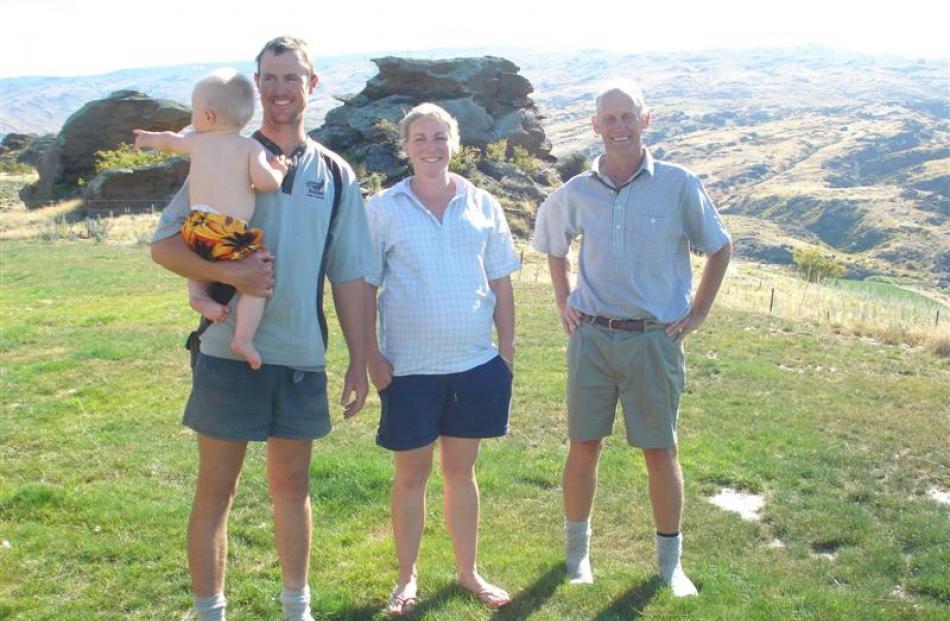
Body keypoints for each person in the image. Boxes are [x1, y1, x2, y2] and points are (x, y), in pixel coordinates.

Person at [150, 36, 371, 621]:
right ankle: (209, 611)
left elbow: (350, 275)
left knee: (292, 489)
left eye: (291, 78)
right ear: (255, 85)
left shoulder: (337, 174)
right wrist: (232, 273)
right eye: (268, 78)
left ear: (312, 86)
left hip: (301, 357)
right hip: (226, 351)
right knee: (214, 493)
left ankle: (297, 608)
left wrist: (359, 358)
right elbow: (164, 245)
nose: (279, 90)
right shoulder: (223, 151)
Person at [532, 83, 732, 597]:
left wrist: (697, 314)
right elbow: (553, 244)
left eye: (628, 117)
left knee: (660, 451)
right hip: (592, 338)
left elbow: (719, 246)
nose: (619, 127)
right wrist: (563, 299)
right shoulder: (576, 191)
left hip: (653, 339)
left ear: (646, 119)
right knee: (583, 446)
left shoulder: (679, 184)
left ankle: (670, 565)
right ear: (595, 126)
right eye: (609, 119)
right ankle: (577, 559)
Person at [364, 103, 520, 616]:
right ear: (405, 147)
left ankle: (468, 571)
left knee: (461, 472)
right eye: (419, 138)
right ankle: (406, 579)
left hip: (474, 365)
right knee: (411, 476)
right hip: (407, 369)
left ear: (455, 144)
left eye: (440, 137)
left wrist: (507, 351)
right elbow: (364, 286)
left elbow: (500, 281)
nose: (430, 147)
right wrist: (371, 357)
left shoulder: (483, 204)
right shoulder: (382, 208)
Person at [134, 68, 288, 369]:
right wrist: (279, 169)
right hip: (229, 231)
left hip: (196, 225)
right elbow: (266, 183)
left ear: (206, 116)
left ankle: (198, 296)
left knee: (198, 255)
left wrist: (149, 139)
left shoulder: (196, 141)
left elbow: (169, 141)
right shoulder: (249, 147)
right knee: (255, 282)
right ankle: (243, 337)